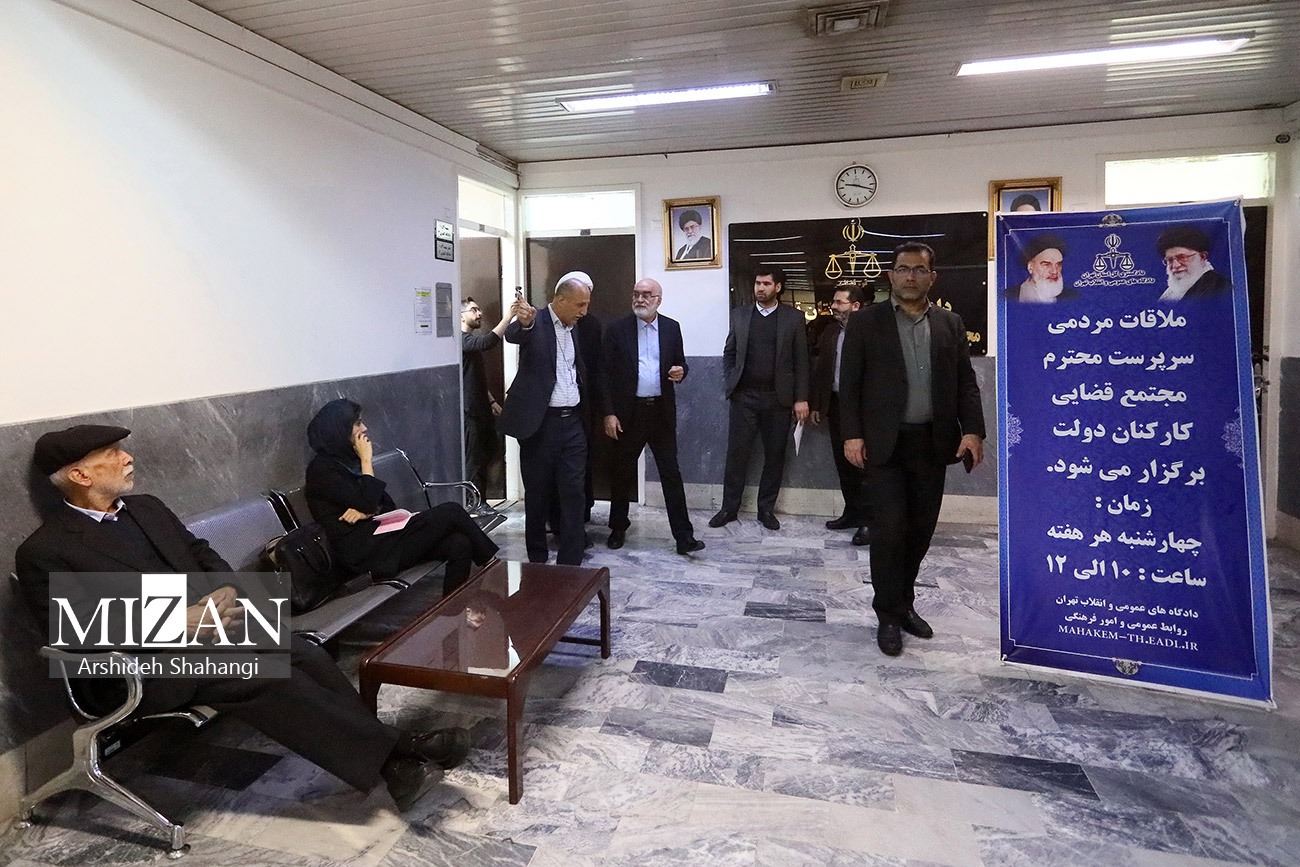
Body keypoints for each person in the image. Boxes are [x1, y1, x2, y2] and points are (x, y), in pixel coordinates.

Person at [15, 425, 466, 812]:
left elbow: (199, 551)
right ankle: (397, 755)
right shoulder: (47, 550)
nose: (127, 457)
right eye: (113, 454)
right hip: (144, 665)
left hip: (213, 631)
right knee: (266, 678)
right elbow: (71, 628)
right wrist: (175, 621)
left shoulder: (146, 508)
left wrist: (226, 589)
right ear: (80, 475)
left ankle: (392, 755)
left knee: (304, 653)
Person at [840, 243, 986, 657]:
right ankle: (887, 614)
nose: (910, 276)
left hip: (932, 443)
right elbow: (849, 385)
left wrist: (973, 431)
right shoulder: (865, 322)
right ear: (891, 276)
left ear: (931, 277)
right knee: (889, 531)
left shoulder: (950, 323)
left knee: (920, 531)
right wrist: (852, 435)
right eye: (903, 269)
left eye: (919, 270)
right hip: (885, 445)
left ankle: (905, 604)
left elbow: (965, 382)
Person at [305, 399, 499, 592]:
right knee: (452, 511)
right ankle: (495, 569)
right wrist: (366, 462)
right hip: (363, 554)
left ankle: (453, 609)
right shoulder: (321, 470)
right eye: (357, 424)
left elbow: (385, 504)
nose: (364, 428)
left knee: (459, 544)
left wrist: (365, 512)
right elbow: (368, 502)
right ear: (339, 430)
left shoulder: (347, 461)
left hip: (383, 541)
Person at [601, 277, 705, 555]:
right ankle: (618, 527)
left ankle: (684, 537)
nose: (640, 299)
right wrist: (609, 413)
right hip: (628, 413)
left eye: (647, 295)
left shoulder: (671, 328)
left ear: (659, 300)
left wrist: (681, 372)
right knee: (622, 472)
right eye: (636, 294)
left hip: (660, 412)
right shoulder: (616, 330)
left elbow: (680, 363)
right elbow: (604, 375)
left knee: (671, 474)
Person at [498, 272, 592, 565]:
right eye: (579, 305)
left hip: (573, 422)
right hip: (541, 425)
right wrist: (524, 322)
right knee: (538, 495)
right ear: (560, 300)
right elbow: (514, 334)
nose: (584, 311)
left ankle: (570, 561)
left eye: (586, 304)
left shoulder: (574, 328)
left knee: (574, 492)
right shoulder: (535, 320)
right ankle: (537, 559)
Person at [710, 267, 810, 531]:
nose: (760, 288)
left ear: (778, 287)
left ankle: (766, 509)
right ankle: (729, 509)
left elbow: (801, 360)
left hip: (778, 399)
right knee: (737, 455)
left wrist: (801, 398)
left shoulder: (793, 318)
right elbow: (729, 352)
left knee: (775, 456)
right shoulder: (740, 315)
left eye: (766, 284)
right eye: (757, 283)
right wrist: (731, 379)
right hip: (744, 397)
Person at [809, 288, 869, 546]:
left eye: (838, 302)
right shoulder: (831, 331)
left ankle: (869, 521)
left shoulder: (871, 331)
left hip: (864, 408)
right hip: (835, 404)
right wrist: (817, 404)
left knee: (864, 465)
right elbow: (822, 370)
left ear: (855, 305)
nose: (833, 306)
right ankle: (852, 512)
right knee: (843, 463)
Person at [461, 295, 517, 514]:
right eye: (474, 310)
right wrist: (508, 317)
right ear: (461, 316)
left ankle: (480, 500)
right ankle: (474, 503)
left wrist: (492, 400)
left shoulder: (470, 342)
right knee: (474, 459)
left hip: (481, 409)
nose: (479, 313)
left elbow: (473, 377)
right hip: (469, 412)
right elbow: (488, 342)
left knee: (486, 454)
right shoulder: (461, 341)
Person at [1156, 225, 1232, 302]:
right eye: (1170, 260)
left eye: (1182, 257)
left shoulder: (1220, 288)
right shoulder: (1170, 293)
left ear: (1202, 256)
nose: (1175, 265)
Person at [1010, 234, 1077, 303]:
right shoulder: (1012, 296)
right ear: (1030, 267)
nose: (1054, 271)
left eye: (1058, 265)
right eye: (1047, 265)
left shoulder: (1069, 295)